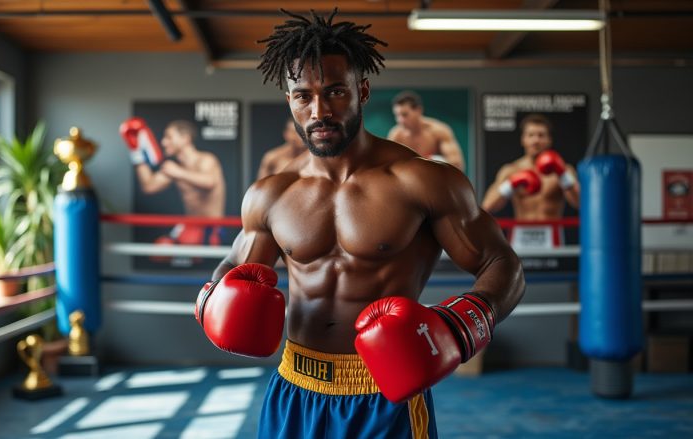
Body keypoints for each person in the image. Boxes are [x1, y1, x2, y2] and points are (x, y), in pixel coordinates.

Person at [194, 9, 524, 438]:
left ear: (362, 91)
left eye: (335, 92)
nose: (319, 110)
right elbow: (230, 271)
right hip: (295, 388)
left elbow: (503, 265)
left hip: (385, 393)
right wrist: (216, 301)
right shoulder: (270, 194)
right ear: (290, 100)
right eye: (303, 96)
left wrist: (462, 324)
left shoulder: (423, 181)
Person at [120, 118, 226, 248]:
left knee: (171, 250)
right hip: (190, 226)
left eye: (169, 137)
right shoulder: (175, 167)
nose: (164, 142)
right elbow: (149, 186)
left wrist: (178, 173)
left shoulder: (206, 159)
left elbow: (209, 182)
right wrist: (136, 154)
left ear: (185, 138)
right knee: (161, 249)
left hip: (211, 229)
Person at [481, 113, 580, 249]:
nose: (536, 140)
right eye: (531, 135)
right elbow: (488, 206)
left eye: (541, 135)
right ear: (523, 139)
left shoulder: (564, 169)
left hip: (551, 236)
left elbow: (580, 204)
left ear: (549, 140)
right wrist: (511, 183)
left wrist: (562, 174)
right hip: (520, 236)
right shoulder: (511, 170)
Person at [387, 90, 465, 172]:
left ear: (418, 110)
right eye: (397, 115)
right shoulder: (396, 135)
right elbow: (386, 167)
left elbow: (457, 165)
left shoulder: (439, 131)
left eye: (405, 115)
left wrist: (436, 162)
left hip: (436, 180)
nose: (400, 120)